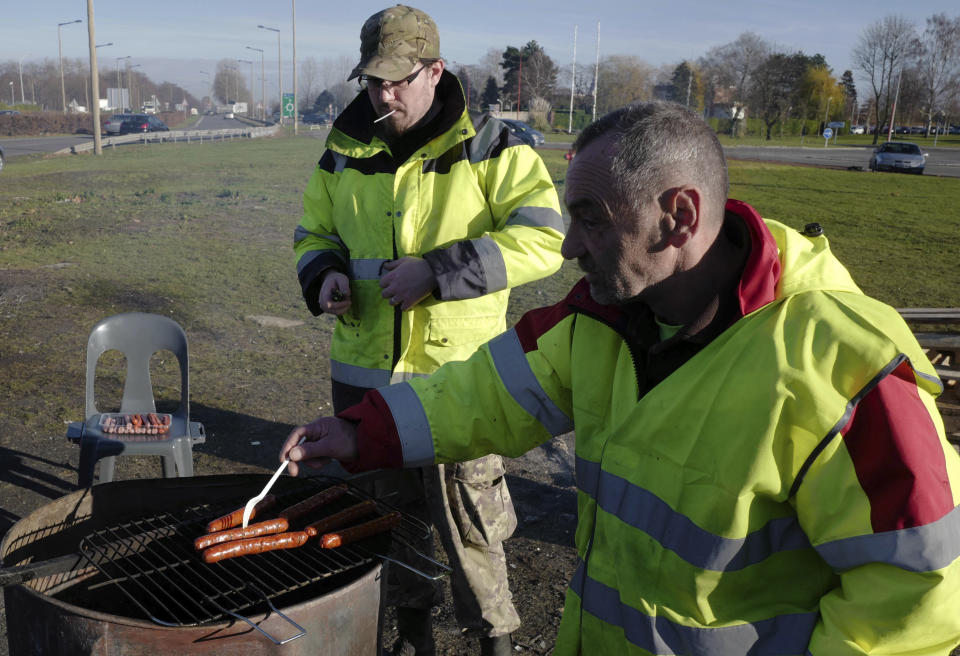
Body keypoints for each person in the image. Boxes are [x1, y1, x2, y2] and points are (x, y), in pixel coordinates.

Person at [284, 100, 960, 655]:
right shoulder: (601, 317)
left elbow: (919, 596)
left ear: (680, 217)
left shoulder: (841, 366)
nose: (570, 247)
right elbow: (484, 394)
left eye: (589, 220)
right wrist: (358, 430)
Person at [292, 5, 564, 655]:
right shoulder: (344, 149)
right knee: (388, 524)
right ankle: (413, 636)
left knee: (471, 523)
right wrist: (323, 274)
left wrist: (439, 272)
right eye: (373, 82)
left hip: (461, 383)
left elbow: (546, 238)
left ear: (434, 71)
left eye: (397, 80)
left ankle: (494, 640)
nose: (384, 94)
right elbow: (313, 232)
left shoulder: (494, 146)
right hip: (364, 382)